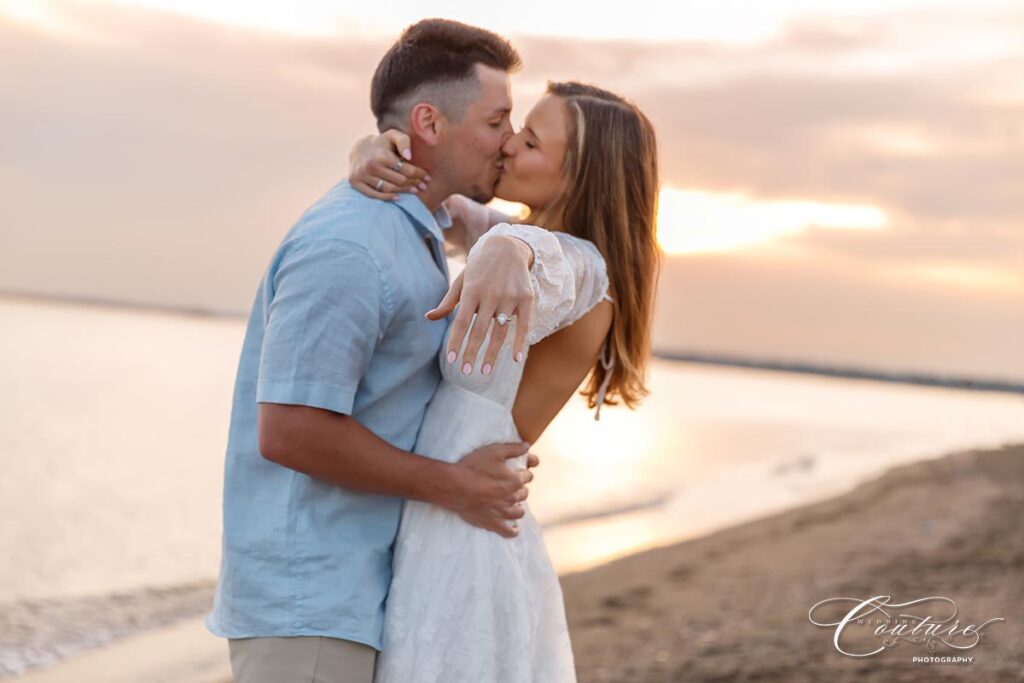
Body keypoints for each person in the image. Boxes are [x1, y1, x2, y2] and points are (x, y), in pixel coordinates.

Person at [205, 19, 555, 682]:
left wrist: (515, 244)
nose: (508, 143)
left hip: (357, 594)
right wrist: (458, 486)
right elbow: (289, 430)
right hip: (308, 607)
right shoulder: (351, 246)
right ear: (428, 122)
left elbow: (580, 252)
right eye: (497, 121)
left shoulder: (421, 226)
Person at [347, 79, 661, 680]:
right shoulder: (536, 239)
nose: (510, 146)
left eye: (532, 142)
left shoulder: (583, 268)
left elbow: (546, 264)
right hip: (455, 514)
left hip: (464, 540)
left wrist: (507, 249)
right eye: (516, 130)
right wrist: (369, 149)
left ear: (579, 175)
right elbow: (450, 212)